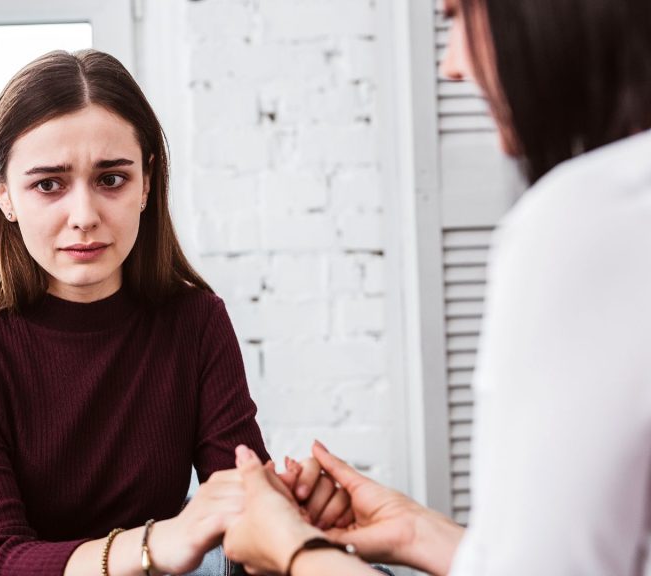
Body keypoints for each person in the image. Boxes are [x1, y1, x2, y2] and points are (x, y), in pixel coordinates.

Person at [221, 0, 651, 574]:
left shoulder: (588, 219)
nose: (451, 65)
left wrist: (297, 552)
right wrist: (418, 534)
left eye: (457, 16)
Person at [0, 49, 348, 576]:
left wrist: (291, 518)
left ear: (146, 182)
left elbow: (243, 518)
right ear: (3, 192)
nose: (85, 217)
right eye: (49, 184)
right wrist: (160, 541)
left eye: (111, 179)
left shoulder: (195, 322)